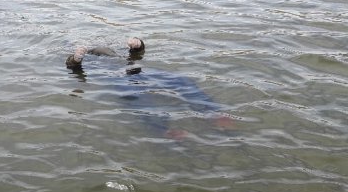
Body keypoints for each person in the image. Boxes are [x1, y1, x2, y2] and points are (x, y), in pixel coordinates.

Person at [66, 38, 230, 139]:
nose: (81, 44)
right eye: (76, 43)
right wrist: (76, 59)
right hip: (115, 76)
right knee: (137, 98)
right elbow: (73, 67)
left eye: (82, 41)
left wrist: (138, 44)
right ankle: (163, 129)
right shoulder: (80, 55)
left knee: (180, 80)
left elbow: (135, 55)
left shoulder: (107, 49)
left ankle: (212, 111)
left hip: (135, 70)